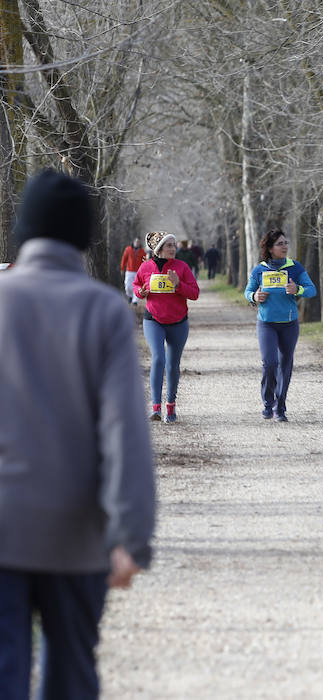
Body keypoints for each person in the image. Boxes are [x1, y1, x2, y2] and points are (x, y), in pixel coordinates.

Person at [0, 169, 156, 699]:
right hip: (77, 535)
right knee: (71, 674)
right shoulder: (104, 310)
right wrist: (131, 534)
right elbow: (124, 433)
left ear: (23, 231)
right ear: (84, 236)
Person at [244, 229, 317, 421]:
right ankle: (268, 402)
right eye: (280, 244)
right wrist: (254, 296)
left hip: (289, 324)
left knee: (285, 365)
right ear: (270, 248)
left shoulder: (295, 267)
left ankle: (280, 407)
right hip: (267, 323)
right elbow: (248, 291)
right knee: (269, 363)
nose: (285, 246)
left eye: (286, 243)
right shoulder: (259, 269)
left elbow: (311, 290)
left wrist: (297, 289)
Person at [134, 231, 200, 423]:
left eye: (174, 244)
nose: (173, 248)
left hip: (178, 322)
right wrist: (141, 291)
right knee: (158, 359)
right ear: (159, 249)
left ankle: (170, 407)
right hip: (153, 320)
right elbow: (136, 287)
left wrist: (178, 284)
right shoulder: (146, 267)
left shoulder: (182, 267)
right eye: (169, 245)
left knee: (172, 365)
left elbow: (195, 293)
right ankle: (155, 408)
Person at [120, 236, 145, 305]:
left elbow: (144, 262)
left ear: (140, 243)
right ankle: (130, 296)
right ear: (133, 242)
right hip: (129, 271)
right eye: (136, 242)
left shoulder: (142, 251)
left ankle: (135, 301)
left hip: (138, 271)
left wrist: (143, 271)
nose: (137, 243)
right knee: (128, 286)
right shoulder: (128, 249)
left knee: (137, 286)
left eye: (139, 242)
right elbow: (124, 259)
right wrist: (122, 268)